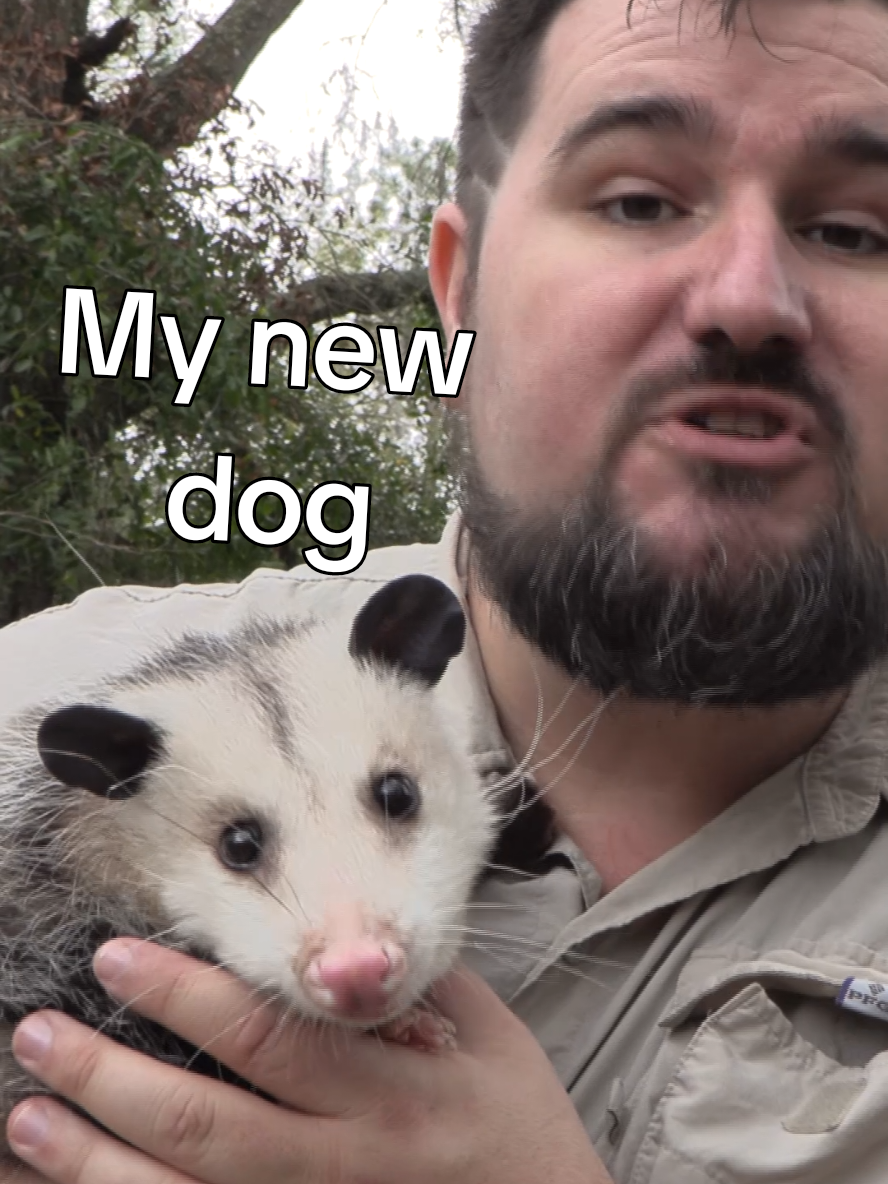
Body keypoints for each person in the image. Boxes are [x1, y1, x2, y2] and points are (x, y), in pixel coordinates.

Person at [5, 0, 888, 1177]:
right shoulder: (41, 686)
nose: (747, 298)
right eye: (638, 202)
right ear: (459, 287)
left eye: (855, 228)